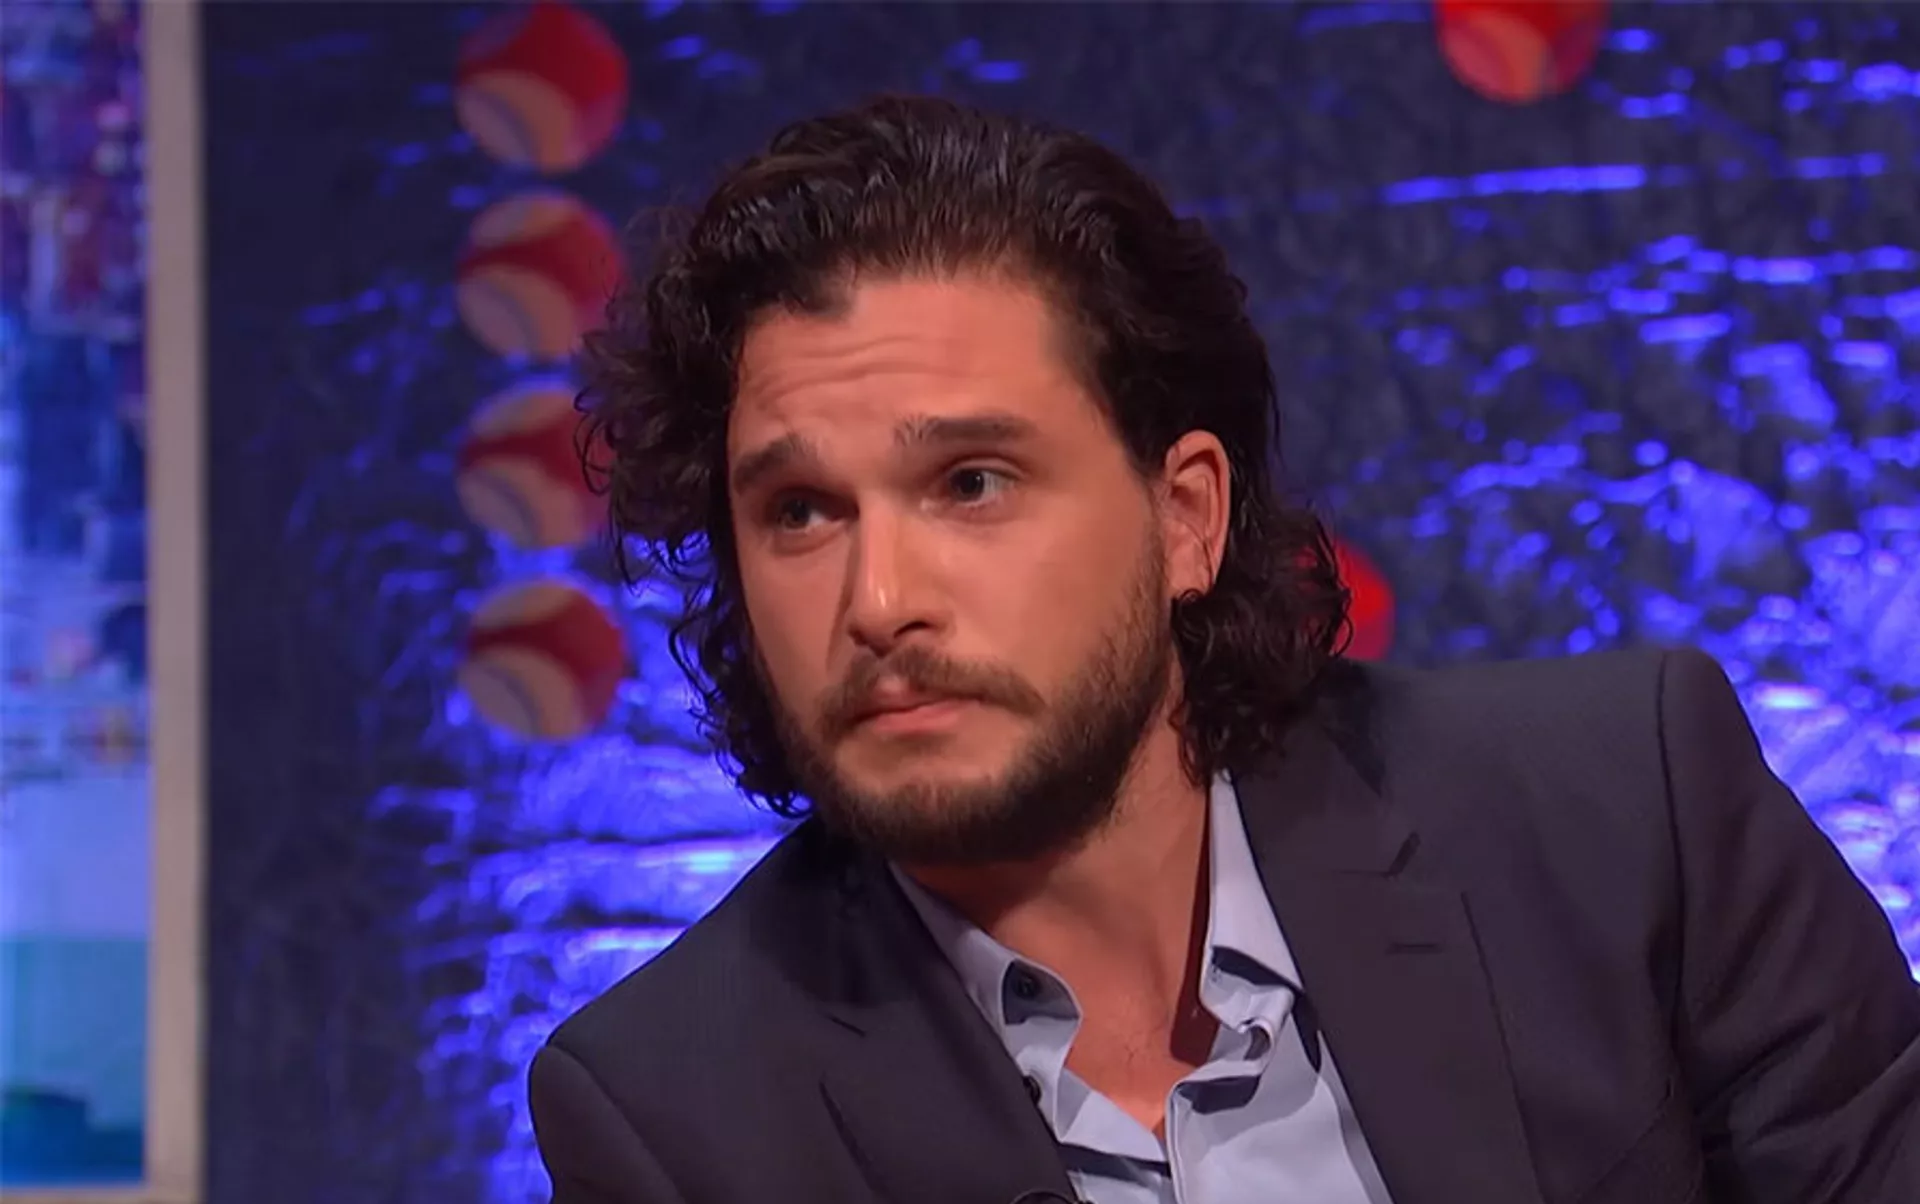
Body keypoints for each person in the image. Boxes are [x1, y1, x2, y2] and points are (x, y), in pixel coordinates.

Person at [529, 95, 1920, 1204]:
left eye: (971, 483)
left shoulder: (1624, 821)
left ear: (1185, 516)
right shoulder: (676, 1119)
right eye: (798, 511)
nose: (877, 599)